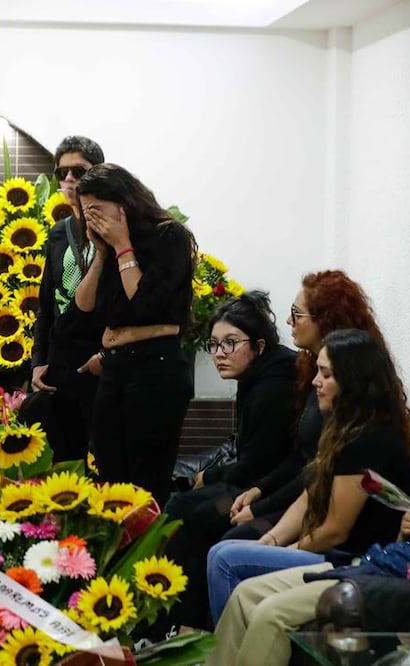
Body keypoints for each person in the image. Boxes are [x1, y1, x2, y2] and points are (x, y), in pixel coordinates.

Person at [206, 328, 410, 625]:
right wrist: (272, 539)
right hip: (336, 550)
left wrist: (292, 549)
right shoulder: (343, 428)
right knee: (224, 550)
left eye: (326, 375)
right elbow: (309, 494)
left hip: (353, 558)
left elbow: (336, 531)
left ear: (354, 381)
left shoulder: (369, 439)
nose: (316, 382)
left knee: (226, 560)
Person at [207, 468, 410, 666]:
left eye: (326, 381)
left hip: (373, 581)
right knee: (245, 593)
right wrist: (407, 532)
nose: (316, 383)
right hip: (363, 564)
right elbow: (402, 551)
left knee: (269, 612)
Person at [161, 291, 296, 630]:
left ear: (260, 346)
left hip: (271, 495)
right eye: (215, 344)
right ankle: (174, 625)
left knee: (192, 515)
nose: (220, 354)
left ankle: (187, 629)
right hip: (256, 484)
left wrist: (211, 476)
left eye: (230, 343)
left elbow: (257, 464)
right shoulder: (258, 377)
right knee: (179, 506)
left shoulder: (273, 388)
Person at [225, 271, 392, 539]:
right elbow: (304, 460)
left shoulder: (352, 402)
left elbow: (320, 486)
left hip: (329, 517)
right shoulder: (315, 374)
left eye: (297, 313)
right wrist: (260, 490)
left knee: (227, 537)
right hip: (305, 499)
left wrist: (261, 509)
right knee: (206, 520)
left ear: (326, 320)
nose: (289, 320)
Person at [72, 163, 197, 506]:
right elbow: (83, 309)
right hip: (115, 369)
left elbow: (145, 305)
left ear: (123, 203)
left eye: (96, 209)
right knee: (109, 478)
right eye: (86, 212)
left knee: (145, 480)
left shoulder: (169, 236)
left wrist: (124, 245)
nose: (90, 217)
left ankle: (147, 555)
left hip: (155, 368)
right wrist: (101, 254)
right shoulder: (107, 249)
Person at [23, 135, 106, 463]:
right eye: (62, 173)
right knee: (58, 454)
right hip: (62, 357)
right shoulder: (59, 232)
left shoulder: (113, 229)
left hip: (101, 358)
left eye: (78, 171)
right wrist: (38, 361)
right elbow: (46, 305)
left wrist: (108, 354)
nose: (69, 179)